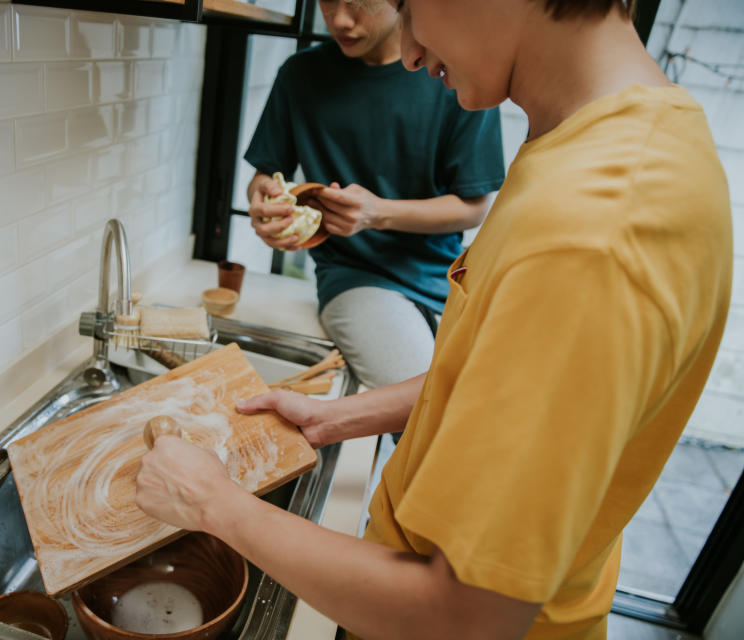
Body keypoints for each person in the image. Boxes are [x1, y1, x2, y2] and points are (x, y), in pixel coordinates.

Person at [136, 0, 733, 638]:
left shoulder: (595, 230)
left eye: (411, 6)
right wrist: (344, 416)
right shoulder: (604, 147)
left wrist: (214, 505)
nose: (413, 51)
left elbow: (466, 616)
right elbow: (500, 380)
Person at [244, 0, 505, 389]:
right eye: (328, 2)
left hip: (450, 281)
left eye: (359, 3)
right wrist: (263, 200)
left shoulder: (452, 76)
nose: (341, 20)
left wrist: (377, 213)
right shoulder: (300, 75)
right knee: (428, 406)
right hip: (353, 278)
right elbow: (264, 174)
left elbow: (472, 207)